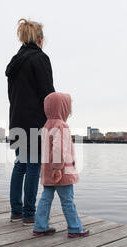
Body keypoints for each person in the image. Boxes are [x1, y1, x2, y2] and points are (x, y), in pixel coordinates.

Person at [6, 19, 55, 225]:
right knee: (34, 166)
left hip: (16, 119)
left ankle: (16, 211)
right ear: (39, 39)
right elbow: (48, 93)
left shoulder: (14, 62)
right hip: (35, 121)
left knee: (20, 165)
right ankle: (29, 214)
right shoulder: (40, 58)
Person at [33, 92, 90, 238]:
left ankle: (40, 226)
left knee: (46, 198)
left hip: (47, 170)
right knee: (67, 200)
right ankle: (75, 228)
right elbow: (58, 150)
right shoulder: (61, 126)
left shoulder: (46, 125)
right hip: (61, 171)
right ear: (63, 108)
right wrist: (58, 168)